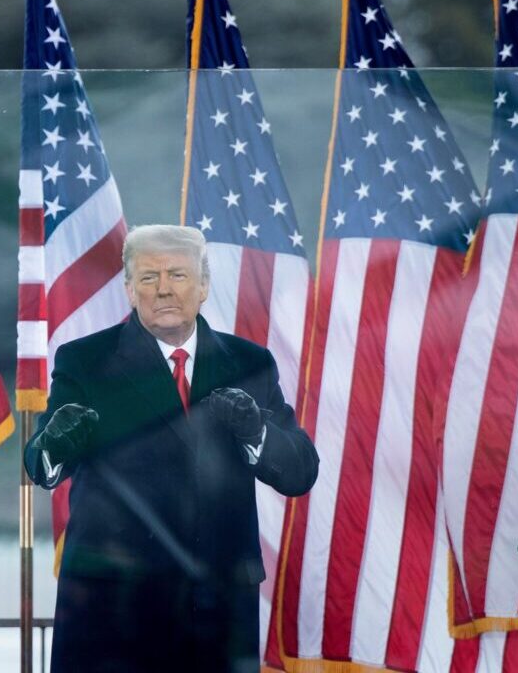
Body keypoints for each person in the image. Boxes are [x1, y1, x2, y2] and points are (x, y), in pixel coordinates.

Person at [25, 224, 319, 672]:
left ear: (203, 286)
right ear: (128, 289)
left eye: (178, 275)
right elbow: (42, 466)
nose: (163, 289)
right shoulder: (85, 360)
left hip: (217, 608)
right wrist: (54, 443)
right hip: (112, 607)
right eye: (148, 277)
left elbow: (299, 472)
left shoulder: (249, 363)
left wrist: (257, 430)